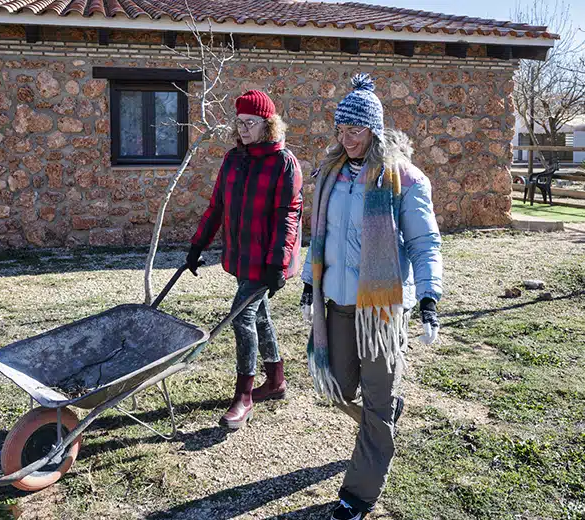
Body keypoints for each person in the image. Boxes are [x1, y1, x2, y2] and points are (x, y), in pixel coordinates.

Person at [300, 74, 443, 520]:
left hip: (380, 313)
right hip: (337, 307)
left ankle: (358, 495)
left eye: (356, 130)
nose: (347, 138)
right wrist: (309, 283)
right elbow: (319, 237)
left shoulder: (404, 179)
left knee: (376, 405)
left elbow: (425, 243)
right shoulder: (331, 174)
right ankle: (386, 415)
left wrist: (429, 298)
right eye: (341, 129)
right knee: (338, 388)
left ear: (375, 130)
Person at [187, 90, 303, 430]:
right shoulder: (233, 159)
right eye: (239, 123)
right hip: (241, 254)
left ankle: (245, 396)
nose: (243, 130)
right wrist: (198, 245)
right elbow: (217, 206)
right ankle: (277, 380)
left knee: (241, 318)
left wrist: (277, 263)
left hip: (266, 260)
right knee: (260, 316)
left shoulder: (284, 163)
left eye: (250, 123)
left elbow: (289, 217)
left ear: (268, 125)